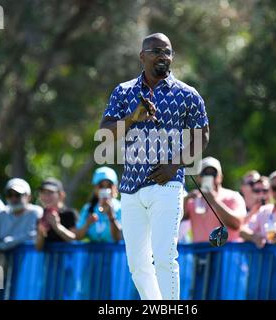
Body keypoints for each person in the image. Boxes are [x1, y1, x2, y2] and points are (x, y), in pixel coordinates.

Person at [99, 33, 209, 300]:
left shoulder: (187, 94)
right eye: (156, 51)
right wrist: (133, 117)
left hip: (167, 185)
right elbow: (106, 132)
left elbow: (202, 135)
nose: (163, 56)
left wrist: (175, 165)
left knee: (164, 256)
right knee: (137, 265)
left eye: (168, 52)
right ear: (142, 56)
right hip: (131, 189)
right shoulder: (123, 92)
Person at [184, 157, 246, 243]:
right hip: (199, 254)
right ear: (198, 177)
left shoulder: (233, 196)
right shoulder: (193, 199)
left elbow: (237, 224)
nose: (209, 177)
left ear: (221, 177)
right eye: (205, 173)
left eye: (213, 173)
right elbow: (179, 220)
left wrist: (214, 201)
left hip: (226, 254)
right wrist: (186, 199)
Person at [0, 178, 38, 260]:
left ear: (28, 197)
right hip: (3, 266)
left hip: (28, 264)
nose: (13, 198)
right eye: (9, 195)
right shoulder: (1, 214)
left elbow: (32, 236)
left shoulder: (36, 213)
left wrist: (0, 246)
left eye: (18, 195)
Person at [75, 167, 122, 243]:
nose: (105, 189)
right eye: (101, 186)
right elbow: (77, 237)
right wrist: (87, 224)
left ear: (115, 187)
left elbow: (119, 237)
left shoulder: (121, 208)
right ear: (95, 188)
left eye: (109, 185)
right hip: (93, 255)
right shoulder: (88, 208)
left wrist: (111, 216)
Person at [35, 178, 78, 250]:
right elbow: (38, 247)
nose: (46, 196)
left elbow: (75, 239)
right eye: (43, 192)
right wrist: (41, 234)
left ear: (61, 195)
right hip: (48, 260)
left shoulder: (70, 214)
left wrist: (57, 226)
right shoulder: (41, 215)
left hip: (67, 260)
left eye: (50, 192)